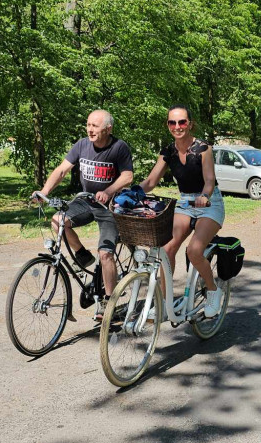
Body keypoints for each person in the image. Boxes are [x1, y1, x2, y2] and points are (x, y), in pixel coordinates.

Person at [33, 109, 134, 319]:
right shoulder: (81, 145)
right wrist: (44, 192)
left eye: (95, 126)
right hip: (85, 200)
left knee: (105, 254)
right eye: (88, 125)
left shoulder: (119, 147)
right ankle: (82, 255)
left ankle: (109, 302)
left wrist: (108, 191)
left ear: (108, 128)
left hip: (110, 206)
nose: (90, 129)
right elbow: (62, 170)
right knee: (58, 220)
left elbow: (128, 176)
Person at [138, 105, 226, 316]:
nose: (177, 127)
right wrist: (131, 193)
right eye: (172, 122)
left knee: (194, 250)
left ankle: (213, 291)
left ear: (190, 124)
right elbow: (151, 181)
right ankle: (165, 304)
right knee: (167, 249)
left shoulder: (203, 148)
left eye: (182, 122)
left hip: (209, 203)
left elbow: (209, 180)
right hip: (186, 203)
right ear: (168, 125)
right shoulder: (168, 152)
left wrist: (204, 196)